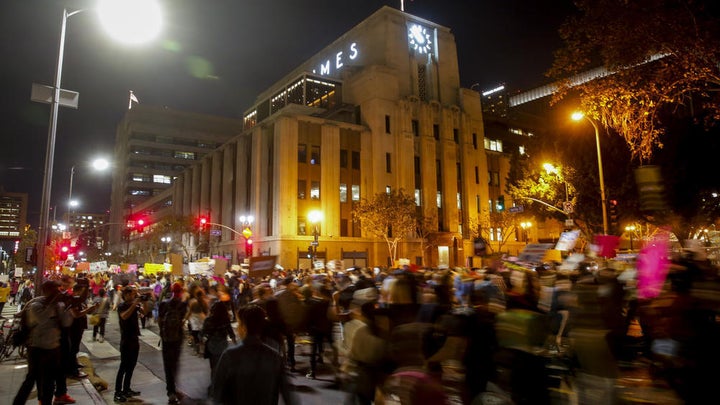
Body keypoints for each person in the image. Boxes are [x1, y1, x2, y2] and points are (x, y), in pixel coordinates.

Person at [211, 304, 297, 405]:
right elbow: (288, 395)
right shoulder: (275, 357)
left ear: (243, 326)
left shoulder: (230, 355)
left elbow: (217, 392)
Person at [13, 280, 73, 405]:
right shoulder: (35, 305)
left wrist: (67, 307)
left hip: (53, 348)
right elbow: (42, 319)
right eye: (54, 290)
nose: (57, 292)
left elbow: (66, 323)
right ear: (46, 291)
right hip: (36, 348)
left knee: (49, 382)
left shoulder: (59, 305)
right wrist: (53, 303)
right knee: (31, 380)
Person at [158, 282, 189, 405]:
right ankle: (174, 389)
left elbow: (159, 320)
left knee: (167, 365)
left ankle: (171, 392)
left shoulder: (163, 304)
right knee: (175, 364)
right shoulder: (182, 305)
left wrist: (163, 332)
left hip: (166, 339)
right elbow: (182, 322)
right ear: (180, 291)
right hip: (177, 338)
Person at [113, 285, 145, 403]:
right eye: (131, 294)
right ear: (125, 295)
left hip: (134, 338)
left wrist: (144, 302)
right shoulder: (122, 306)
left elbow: (144, 312)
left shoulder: (135, 305)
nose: (133, 296)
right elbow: (124, 316)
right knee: (123, 367)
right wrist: (134, 304)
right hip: (126, 339)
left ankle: (126, 389)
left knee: (131, 365)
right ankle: (117, 392)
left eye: (134, 294)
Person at [201, 299, 236, 387]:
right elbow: (231, 332)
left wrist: (202, 340)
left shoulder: (208, 320)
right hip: (223, 345)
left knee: (213, 366)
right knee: (222, 365)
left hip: (212, 346)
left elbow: (202, 334)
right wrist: (235, 342)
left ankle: (214, 384)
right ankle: (223, 384)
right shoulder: (225, 320)